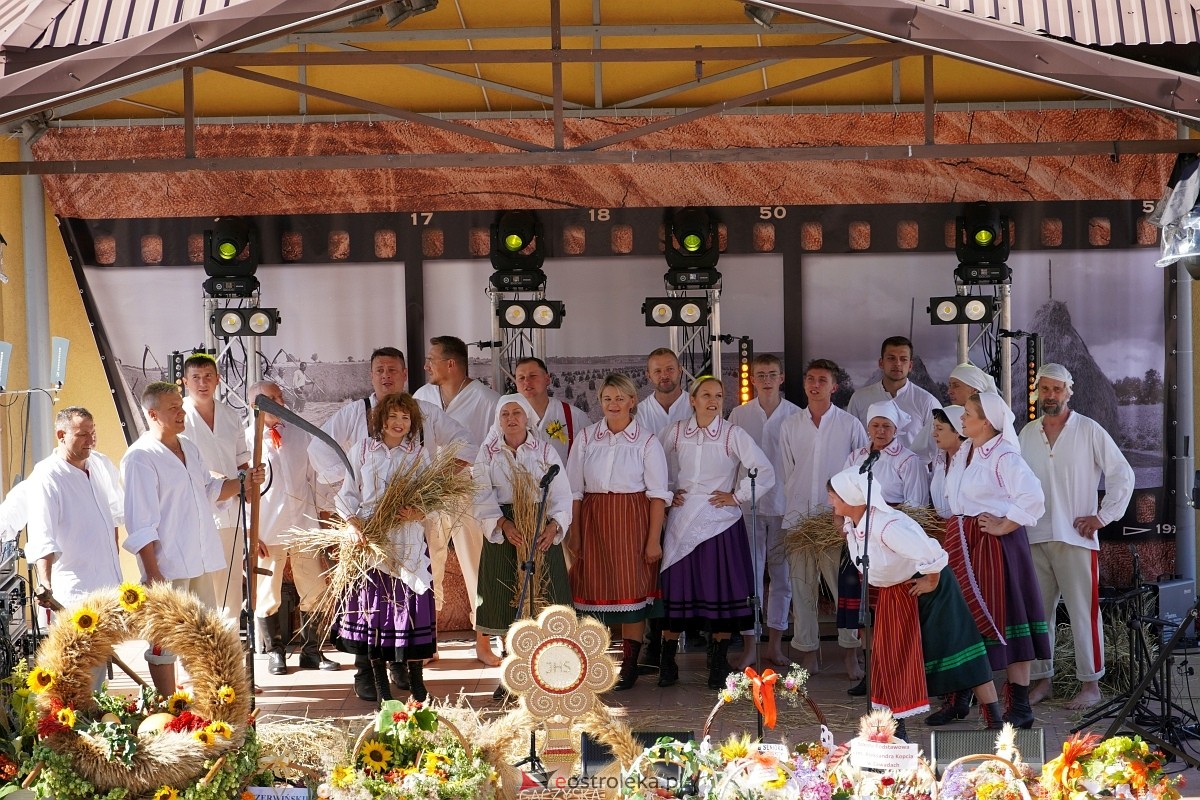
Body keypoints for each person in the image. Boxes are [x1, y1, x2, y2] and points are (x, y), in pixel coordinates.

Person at [307, 346, 474, 696]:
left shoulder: (423, 419)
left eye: (393, 370)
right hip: (369, 534)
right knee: (372, 604)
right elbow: (319, 451)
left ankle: (404, 670)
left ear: (404, 375)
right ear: (371, 376)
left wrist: (435, 490)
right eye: (380, 370)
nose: (386, 376)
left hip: (411, 530)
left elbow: (466, 443)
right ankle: (368, 675)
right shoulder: (356, 419)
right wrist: (351, 506)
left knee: (408, 601)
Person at [827, 467, 1002, 739]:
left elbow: (929, 552)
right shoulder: (858, 522)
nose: (830, 502)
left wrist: (931, 580)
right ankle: (898, 730)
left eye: (834, 496)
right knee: (894, 656)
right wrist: (841, 517)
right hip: (899, 591)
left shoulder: (887, 526)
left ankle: (995, 722)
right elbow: (851, 534)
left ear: (851, 497)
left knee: (959, 647)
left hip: (928, 586)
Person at [122, 382, 263, 696]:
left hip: (199, 558)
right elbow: (140, 522)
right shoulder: (140, 457)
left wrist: (244, 480)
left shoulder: (188, 446)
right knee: (165, 638)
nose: (181, 413)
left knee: (202, 635)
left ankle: (205, 698)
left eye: (181, 407)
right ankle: (166, 703)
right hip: (168, 564)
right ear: (152, 414)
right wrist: (153, 572)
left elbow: (210, 491)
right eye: (173, 408)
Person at [1020, 364, 1134, 710]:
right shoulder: (1027, 433)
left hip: (1076, 538)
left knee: (1083, 612)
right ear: (1037, 392)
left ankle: (1091, 686)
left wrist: (1102, 516)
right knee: (1038, 614)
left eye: (1057, 389)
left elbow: (1122, 474)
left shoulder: (1088, 429)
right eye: (1045, 389)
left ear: (1069, 392)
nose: (1050, 395)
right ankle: (1043, 681)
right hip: (1034, 535)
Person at [660, 376, 774, 689]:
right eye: (706, 395)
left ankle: (718, 662)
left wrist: (737, 496)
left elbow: (764, 471)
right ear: (692, 400)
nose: (713, 401)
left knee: (719, 591)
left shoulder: (732, 434)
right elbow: (654, 463)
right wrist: (668, 493)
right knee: (678, 589)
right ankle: (667, 662)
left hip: (720, 521)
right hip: (682, 520)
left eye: (719, 396)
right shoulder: (675, 431)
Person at [944, 391, 1050, 728]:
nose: (962, 418)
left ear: (987, 421)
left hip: (994, 545)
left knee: (1008, 618)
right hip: (965, 541)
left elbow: (1033, 496)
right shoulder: (966, 451)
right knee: (963, 621)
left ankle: (1019, 707)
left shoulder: (1004, 455)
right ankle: (962, 697)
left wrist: (1005, 524)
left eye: (968, 413)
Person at [566, 373, 670, 690]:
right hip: (593, 519)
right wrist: (574, 533)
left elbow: (658, 495)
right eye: (608, 398)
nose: (613, 404)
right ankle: (594, 663)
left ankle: (629, 664)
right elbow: (574, 491)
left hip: (632, 520)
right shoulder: (586, 438)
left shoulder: (646, 441)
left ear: (632, 401)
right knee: (591, 589)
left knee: (631, 592)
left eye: (620, 398)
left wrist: (653, 541)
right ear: (600, 401)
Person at [332, 393, 437, 706]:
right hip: (372, 541)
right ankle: (382, 687)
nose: (398, 423)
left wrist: (417, 512)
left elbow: (434, 498)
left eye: (405, 417)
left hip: (408, 542)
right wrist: (353, 524)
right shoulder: (362, 449)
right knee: (375, 614)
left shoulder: (419, 454)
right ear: (380, 419)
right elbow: (347, 494)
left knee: (411, 610)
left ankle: (416, 683)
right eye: (393, 416)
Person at [471, 394, 573, 695]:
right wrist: (503, 524)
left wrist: (553, 526)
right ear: (498, 420)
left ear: (527, 417)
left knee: (544, 597)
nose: (511, 418)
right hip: (505, 530)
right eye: (505, 414)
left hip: (539, 528)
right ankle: (513, 673)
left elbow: (561, 493)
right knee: (506, 599)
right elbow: (480, 493)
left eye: (517, 412)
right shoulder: (488, 453)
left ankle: (548, 673)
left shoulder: (544, 451)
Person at [413, 335, 503, 665]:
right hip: (427, 493)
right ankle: (428, 641)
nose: (426, 366)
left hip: (470, 491)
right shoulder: (421, 397)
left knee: (477, 564)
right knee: (427, 564)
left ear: (450, 364)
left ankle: (483, 642)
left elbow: (493, 451)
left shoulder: (488, 400)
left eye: (431, 359)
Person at [779, 358, 868, 678]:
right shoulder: (790, 425)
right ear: (804, 384)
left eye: (822, 380)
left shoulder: (850, 425)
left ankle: (851, 655)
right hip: (799, 520)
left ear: (834, 386)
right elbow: (787, 473)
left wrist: (847, 518)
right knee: (802, 591)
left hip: (837, 522)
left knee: (844, 591)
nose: (815, 385)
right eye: (811, 379)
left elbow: (860, 473)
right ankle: (808, 654)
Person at [25, 407, 124, 689]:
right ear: (61, 435)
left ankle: (95, 715)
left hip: (107, 587)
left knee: (98, 673)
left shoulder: (100, 464)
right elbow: (42, 535)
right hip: (74, 593)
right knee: (76, 672)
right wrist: (45, 583)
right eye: (82, 434)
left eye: (93, 433)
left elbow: (114, 514)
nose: (90, 440)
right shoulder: (47, 476)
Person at [840, 399, 931, 695]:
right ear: (867, 427)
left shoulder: (908, 460)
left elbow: (916, 506)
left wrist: (885, 522)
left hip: (891, 542)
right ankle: (872, 674)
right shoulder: (856, 456)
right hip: (859, 538)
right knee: (865, 610)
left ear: (896, 429)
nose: (880, 431)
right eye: (875, 425)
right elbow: (843, 495)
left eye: (886, 426)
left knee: (889, 610)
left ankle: (895, 675)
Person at [248, 381, 338, 676]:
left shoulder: (300, 434)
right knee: (267, 593)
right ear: (254, 405)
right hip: (268, 529)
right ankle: (275, 652)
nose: (280, 402)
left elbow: (315, 479)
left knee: (314, 588)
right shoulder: (247, 440)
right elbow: (242, 493)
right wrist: (251, 533)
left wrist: (324, 521)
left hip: (303, 524)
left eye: (280, 396)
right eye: (272, 398)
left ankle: (312, 651)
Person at [726, 353, 801, 669]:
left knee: (782, 578)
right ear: (752, 379)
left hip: (784, 506)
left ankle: (774, 645)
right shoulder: (739, 415)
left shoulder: (795, 415)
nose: (767, 380)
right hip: (748, 506)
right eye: (761, 375)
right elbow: (730, 462)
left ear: (781, 378)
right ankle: (750, 646)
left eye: (772, 374)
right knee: (751, 576)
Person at [180, 353, 252, 629]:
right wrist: (211, 476)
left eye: (208, 376)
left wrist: (248, 483)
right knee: (202, 585)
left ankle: (229, 643)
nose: (202, 383)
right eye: (196, 377)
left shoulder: (230, 415)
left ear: (218, 379)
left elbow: (241, 460)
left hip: (231, 509)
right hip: (197, 513)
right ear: (185, 381)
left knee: (231, 584)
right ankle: (203, 643)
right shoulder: (179, 416)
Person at [847, 336, 940, 463]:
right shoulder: (860, 399)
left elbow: (939, 446)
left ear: (910, 365)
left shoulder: (926, 401)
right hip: (867, 472)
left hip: (912, 472)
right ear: (881, 363)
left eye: (903, 359)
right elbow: (850, 442)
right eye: (891, 358)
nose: (897, 364)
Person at [513, 357, 590, 464]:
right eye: (521, 378)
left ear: (547, 379)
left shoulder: (575, 417)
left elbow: (591, 460)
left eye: (533, 376)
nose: (526, 381)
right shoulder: (506, 421)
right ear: (516, 384)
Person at [638, 348, 693, 438]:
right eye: (657, 371)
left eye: (670, 369)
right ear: (649, 376)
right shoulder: (640, 414)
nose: (664, 375)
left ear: (680, 370)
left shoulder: (696, 407)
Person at [929, 406, 967, 520]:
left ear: (957, 431)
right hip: (941, 526)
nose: (934, 434)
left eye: (939, 429)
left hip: (963, 526)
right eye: (934, 428)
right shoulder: (939, 459)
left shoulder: (969, 460)